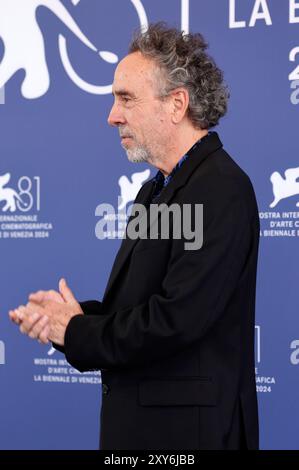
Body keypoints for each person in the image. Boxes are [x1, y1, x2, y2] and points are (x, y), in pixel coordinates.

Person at [9, 23, 259, 450]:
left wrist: (77, 333)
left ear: (177, 103)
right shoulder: (154, 189)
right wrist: (71, 318)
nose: (112, 115)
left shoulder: (221, 187)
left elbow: (175, 320)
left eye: (126, 98)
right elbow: (139, 307)